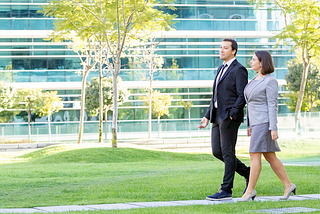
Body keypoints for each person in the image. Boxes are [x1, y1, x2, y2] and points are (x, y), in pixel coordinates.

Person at [239, 51, 296, 202]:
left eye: (253, 59)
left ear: (262, 62)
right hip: (256, 122)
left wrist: (273, 127)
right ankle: (288, 184)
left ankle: (250, 190)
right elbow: (250, 104)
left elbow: (272, 104)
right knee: (270, 156)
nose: (251, 62)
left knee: (254, 154)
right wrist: (249, 124)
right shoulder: (253, 80)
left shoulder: (269, 81)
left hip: (264, 122)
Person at [198, 38, 250, 200]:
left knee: (228, 152)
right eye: (220, 47)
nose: (221, 50)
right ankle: (247, 172)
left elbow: (243, 94)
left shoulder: (239, 69)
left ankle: (226, 189)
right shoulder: (221, 68)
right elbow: (216, 96)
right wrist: (207, 116)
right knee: (217, 151)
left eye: (225, 48)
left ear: (233, 51)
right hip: (216, 116)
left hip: (229, 117)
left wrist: (233, 112)